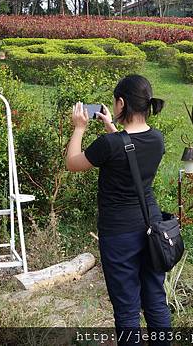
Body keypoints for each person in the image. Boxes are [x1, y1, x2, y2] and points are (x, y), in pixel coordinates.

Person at [65, 75, 171, 345]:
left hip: (118, 234)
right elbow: (129, 149)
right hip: (152, 227)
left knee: (127, 308)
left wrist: (79, 128)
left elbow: (73, 163)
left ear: (121, 102)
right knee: (155, 300)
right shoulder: (157, 139)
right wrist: (112, 126)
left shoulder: (108, 145)